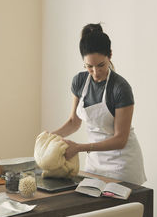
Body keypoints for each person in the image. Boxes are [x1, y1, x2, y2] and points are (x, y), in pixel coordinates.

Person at [51, 23, 146, 185]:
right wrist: (50, 137)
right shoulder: (79, 82)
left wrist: (79, 147)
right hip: (94, 164)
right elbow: (74, 123)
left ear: (110, 55)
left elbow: (120, 139)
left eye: (101, 65)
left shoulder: (120, 88)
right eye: (89, 66)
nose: (95, 72)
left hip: (122, 164)